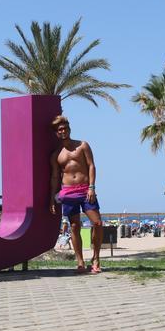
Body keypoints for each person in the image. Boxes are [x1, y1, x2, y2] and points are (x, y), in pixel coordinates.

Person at [49, 115, 102, 274]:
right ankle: (80, 262)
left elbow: (91, 166)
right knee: (74, 226)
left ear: (69, 129)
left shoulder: (82, 145)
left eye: (65, 128)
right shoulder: (56, 155)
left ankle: (96, 258)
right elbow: (55, 177)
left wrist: (92, 187)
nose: (63, 131)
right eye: (60, 130)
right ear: (57, 133)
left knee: (98, 223)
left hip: (86, 189)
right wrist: (52, 198)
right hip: (68, 192)